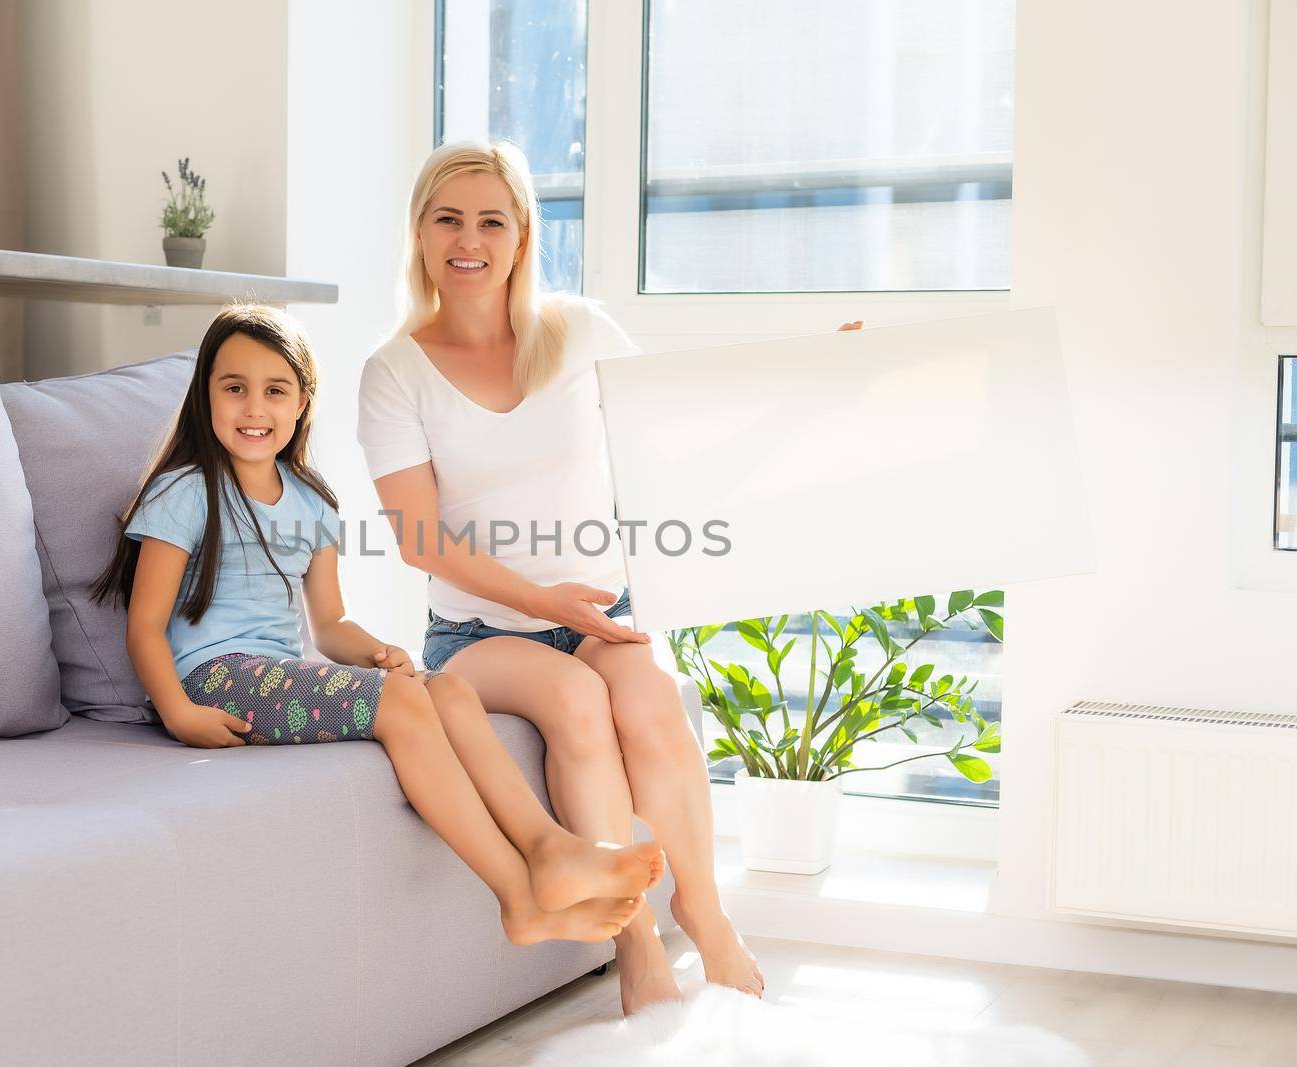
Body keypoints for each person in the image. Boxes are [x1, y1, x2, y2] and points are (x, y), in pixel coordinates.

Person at [358, 140, 861, 1013]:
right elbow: (418, 538)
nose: (468, 239)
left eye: (491, 220)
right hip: (481, 637)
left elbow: (679, 431)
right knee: (579, 702)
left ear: (521, 237)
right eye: (448, 219)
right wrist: (545, 604)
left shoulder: (581, 332)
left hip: (606, 613)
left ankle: (705, 917)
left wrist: (810, 379)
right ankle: (633, 946)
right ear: (420, 234)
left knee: (653, 701)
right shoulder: (393, 372)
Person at [92, 302, 664, 946]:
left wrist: (376, 650)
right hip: (213, 682)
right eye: (234, 389)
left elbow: (329, 623)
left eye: (275, 390)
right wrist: (176, 711)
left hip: (277, 673)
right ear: (206, 396)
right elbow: (145, 625)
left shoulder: (312, 502)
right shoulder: (185, 490)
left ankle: (549, 847)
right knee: (402, 704)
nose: (255, 409)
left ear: (303, 402)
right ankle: (518, 898)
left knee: (446, 689)